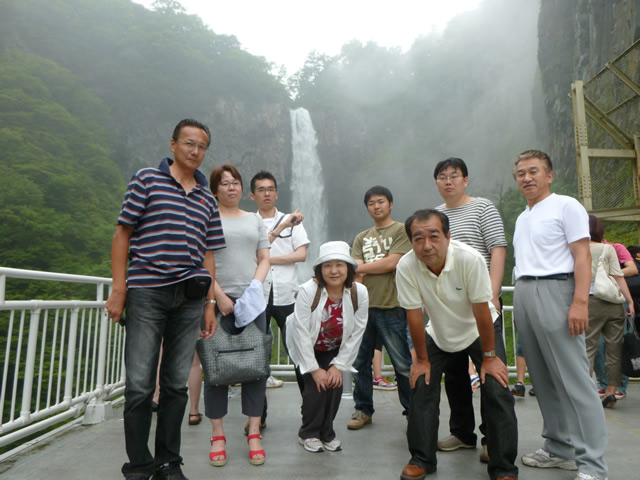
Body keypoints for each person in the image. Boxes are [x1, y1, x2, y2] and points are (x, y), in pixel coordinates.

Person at [105, 119, 224, 480]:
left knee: (175, 384)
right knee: (141, 384)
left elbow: (208, 254)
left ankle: (168, 463)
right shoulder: (146, 180)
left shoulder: (207, 198)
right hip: (147, 292)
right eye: (189, 143)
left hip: (190, 298)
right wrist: (119, 289)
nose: (195, 151)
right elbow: (123, 233)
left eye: (202, 146)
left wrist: (209, 304)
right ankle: (138, 466)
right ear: (173, 145)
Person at [396, 209, 518, 480]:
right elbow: (414, 316)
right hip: (440, 330)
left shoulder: (469, 259)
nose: (427, 245)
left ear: (448, 236)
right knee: (422, 383)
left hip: (479, 327)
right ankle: (422, 459)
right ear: (411, 241)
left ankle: (503, 467)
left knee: (496, 387)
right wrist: (421, 360)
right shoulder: (406, 266)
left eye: (434, 236)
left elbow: (481, 310)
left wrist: (489, 357)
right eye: (418, 238)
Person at [512, 149, 608, 480]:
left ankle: (592, 464)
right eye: (521, 173)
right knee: (542, 378)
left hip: (557, 290)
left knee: (574, 380)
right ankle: (559, 447)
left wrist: (580, 302)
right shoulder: (523, 217)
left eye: (533, 171)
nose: (527, 178)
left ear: (549, 175)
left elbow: (582, 256)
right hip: (525, 292)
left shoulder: (566, 206)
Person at [432, 157, 507, 464]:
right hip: (448, 310)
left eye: (454, 176)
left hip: (481, 306)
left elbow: (497, 248)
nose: (448, 181)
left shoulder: (483, 207)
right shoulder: (435, 216)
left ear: (465, 180)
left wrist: (493, 293)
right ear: (436, 183)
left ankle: (493, 440)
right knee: (454, 376)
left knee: (491, 373)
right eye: (442, 177)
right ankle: (462, 433)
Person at [204, 164, 270, 467]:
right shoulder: (206, 217)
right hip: (214, 302)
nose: (231, 188)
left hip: (252, 302)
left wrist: (254, 289)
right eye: (224, 183)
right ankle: (217, 435)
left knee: (256, 367)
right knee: (214, 367)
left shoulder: (254, 219)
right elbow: (200, 259)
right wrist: (217, 295)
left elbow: (264, 257)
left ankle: (254, 432)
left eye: (235, 183)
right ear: (215, 189)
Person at [286, 241, 369, 452]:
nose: (334, 271)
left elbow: (357, 331)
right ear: (319, 270)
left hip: (335, 347)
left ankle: (326, 433)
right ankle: (308, 433)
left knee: (334, 385)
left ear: (348, 269)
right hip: (306, 345)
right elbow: (301, 332)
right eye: (327, 265)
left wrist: (338, 366)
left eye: (339, 265)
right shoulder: (308, 291)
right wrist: (314, 369)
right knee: (315, 389)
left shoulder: (359, 292)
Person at [249, 170, 310, 432]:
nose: (266, 193)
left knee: (298, 352)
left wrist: (266, 259)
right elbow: (246, 255)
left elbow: (301, 255)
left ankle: (309, 412)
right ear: (252, 195)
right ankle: (257, 416)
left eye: (270, 189)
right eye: (261, 189)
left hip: (287, 294)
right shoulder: (247, 222)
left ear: (276, 193)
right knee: (257, 357)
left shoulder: (292, 220)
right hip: (257, 296)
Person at [348, 185, 413, 429]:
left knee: (402, 364)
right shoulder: (361, 237)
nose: (376, 206)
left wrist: (361, 268)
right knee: (360, 362)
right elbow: (356, 273)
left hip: (392, 306)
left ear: (390, 204)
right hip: (364, 309)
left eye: (381, 201)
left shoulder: (401, 230)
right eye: (371, 203)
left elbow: (392, 263)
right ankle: (363, 409)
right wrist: (360, 271)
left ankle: (413, 412)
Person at [585, 215, 634, 408]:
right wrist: (629, 301)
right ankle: (611, 392)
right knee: (614, 350)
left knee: (588, 348)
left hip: (590, 302)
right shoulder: (608, 249)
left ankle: (585, 392)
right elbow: (618, 276)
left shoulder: (577, 249)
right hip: (614, 303)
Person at [593, 241, 637, 400]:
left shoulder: (616, 247)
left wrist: (608, 273)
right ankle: (604, 383)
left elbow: (632, 268)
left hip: (617, 298)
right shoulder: (583, 248)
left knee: (618, 344)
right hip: (594, 299)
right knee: (598, 346)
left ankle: (619, 386)